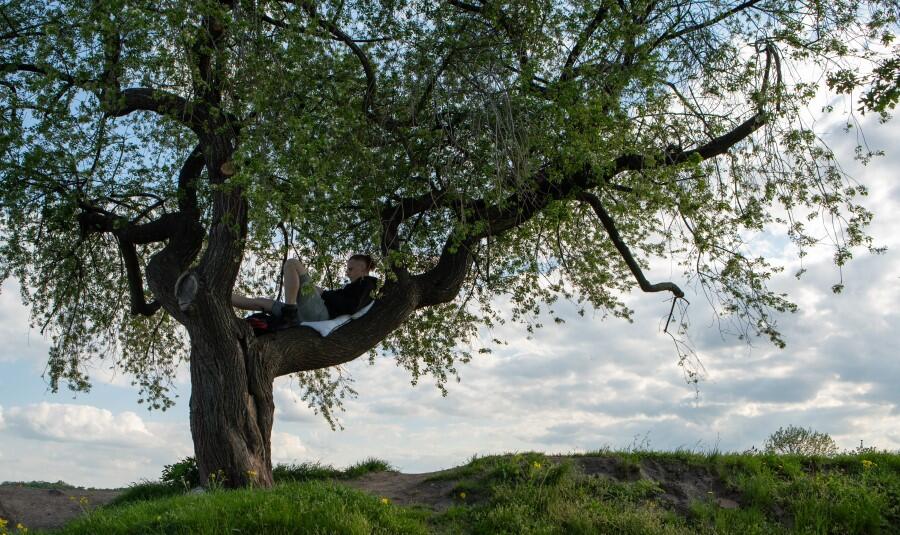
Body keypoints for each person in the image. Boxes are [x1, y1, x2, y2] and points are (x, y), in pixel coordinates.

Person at [231, 254, 378, 328]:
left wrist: (324, 293)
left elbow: (350, 306)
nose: (347, 272)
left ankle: (289, 312)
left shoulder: (367, 284)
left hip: (320, 315)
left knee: (292, 264)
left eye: (350, 269)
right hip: (310, 314)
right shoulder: (356, 287)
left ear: (364, 268)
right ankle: (222, 297)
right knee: (260, 302)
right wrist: (321, 292)